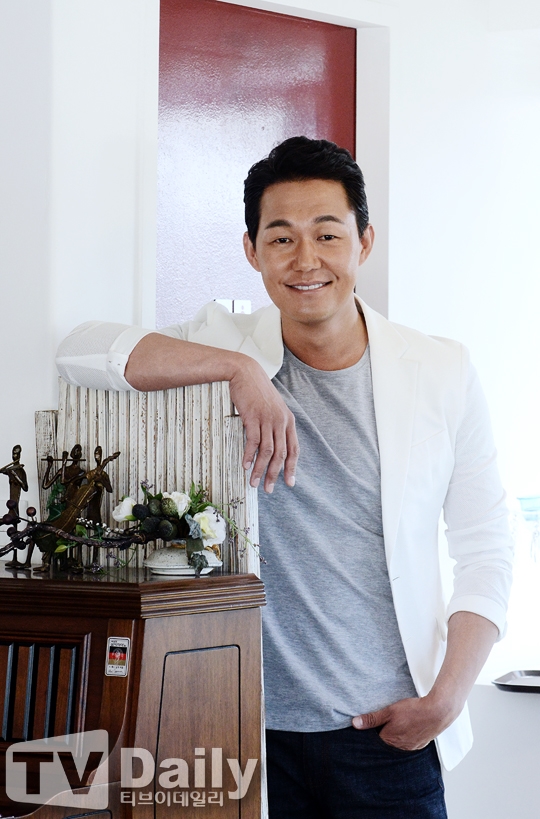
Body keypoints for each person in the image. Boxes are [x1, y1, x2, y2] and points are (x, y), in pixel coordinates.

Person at [56, 136, 513, 818]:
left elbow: (487, 547)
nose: (305, 260)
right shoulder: (226, 344)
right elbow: (80, 350)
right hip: (245, 731)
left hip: (389, 733)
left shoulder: (441, 370)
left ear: (364, 241)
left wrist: (447, 697)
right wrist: (237, 369)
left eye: (327, 234)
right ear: (252, 251)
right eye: (281, 238)